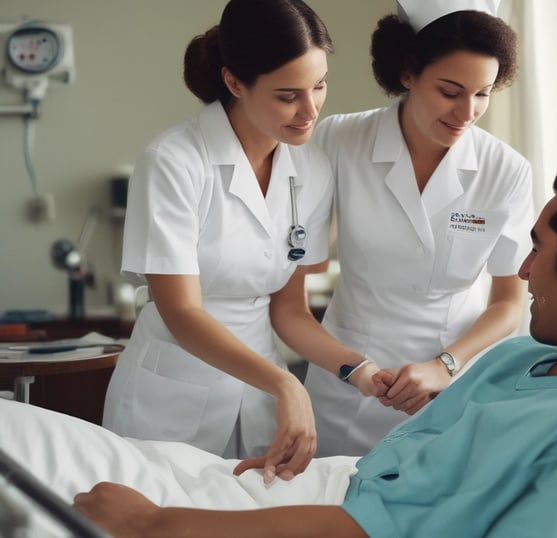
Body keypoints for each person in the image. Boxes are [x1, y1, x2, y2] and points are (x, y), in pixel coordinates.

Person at [0, 165, 557, 537]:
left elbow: (378, 530)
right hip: (326, 489)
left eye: (537, 250)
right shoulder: (521, 363)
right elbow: (386, 478)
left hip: (336, 524)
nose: (520, 274)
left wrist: (161, 525)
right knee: (18, 436)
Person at [102, 0, 373, 480]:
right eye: (288, 95)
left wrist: (360, 370)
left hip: (259, 396)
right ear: (234, 83)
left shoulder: (309, 167)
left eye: (319, 86)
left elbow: (288, 310)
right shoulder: (174, 161)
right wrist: (285, 384)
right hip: (172, 394)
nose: (310, 111)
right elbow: (182, 312)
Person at [304, 0, 536, 456]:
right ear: (408, 73)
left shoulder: (505, 169)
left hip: (451, 383)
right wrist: (358, 370)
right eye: (450, 90)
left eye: (484, 93)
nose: (467, 111)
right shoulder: (340, 140)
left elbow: (509, 301)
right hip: (348, 376)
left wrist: (444, 365)